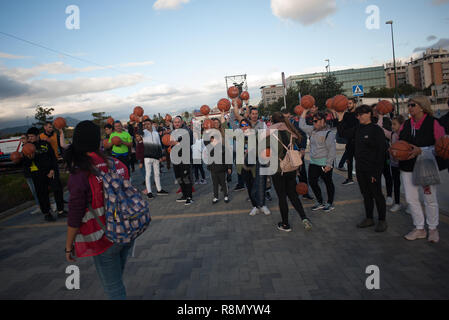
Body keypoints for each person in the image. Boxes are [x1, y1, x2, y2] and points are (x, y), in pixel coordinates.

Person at [64, 120, 133, 300]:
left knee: (114, 288)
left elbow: (75, 214)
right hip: (126, 231)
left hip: (103, 237)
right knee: (117, 280)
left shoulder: (80, 173)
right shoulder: (117, 164)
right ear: (98, 140)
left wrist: (68, 246)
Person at [399, 96, 445, 243]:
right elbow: (399, 143)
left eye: (413, 105)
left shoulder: (433, 123)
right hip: (408, 166)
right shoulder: (406, 124)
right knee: (411, 199)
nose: (410, 107)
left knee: (429, 199)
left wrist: (422, 151)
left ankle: (433, 228)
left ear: (422, 106)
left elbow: (441, 148)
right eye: (408, 105)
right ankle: (419, 228)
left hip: (426, 164)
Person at [268, 112, 312, 232]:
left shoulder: (271, 134)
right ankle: (304, 218)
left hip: (278, 169)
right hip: (292, 168)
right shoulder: (291, 131)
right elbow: (300, 139)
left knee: (282, 197)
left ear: (272, 122)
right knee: (293, 195)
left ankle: (285, 224)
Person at [351, 105, 388, 232]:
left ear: (369, 114)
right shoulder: (358, 129)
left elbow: (381, 152)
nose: (359, 117)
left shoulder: (376, 130)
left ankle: (382, 220)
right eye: (357, 115)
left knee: (377, 194)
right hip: (360, 168)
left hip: (372, 169)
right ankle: (369, 218)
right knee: (366, 194)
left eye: (361, 114)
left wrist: (376, 172)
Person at [23, 127, 66, 221]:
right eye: (29, 137)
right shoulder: (26, 148)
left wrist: (52, 169)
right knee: (42, 194)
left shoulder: (45, 144)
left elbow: (52, 158)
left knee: (57, 189)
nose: (30, 138)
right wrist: (30, 158)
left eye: (32, 136)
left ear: (38, 136)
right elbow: (25, 164)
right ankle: (47, 213)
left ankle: (61, 211)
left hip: (50, 172)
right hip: (37, 174)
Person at [233, 106, 270, 215]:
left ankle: (262, 204)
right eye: (242, 125)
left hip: (257, 162)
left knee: (259, 184)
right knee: (249, 185)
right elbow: (233, 118)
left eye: (246, 125)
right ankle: (255, 205)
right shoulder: (238, 134)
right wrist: (235, 103)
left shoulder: (256, 133)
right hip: (244, 165)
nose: (244, 127)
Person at [299, 110, 336, 212]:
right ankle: (320, 201)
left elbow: (332, 150)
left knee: (328, 183)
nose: (314, 123)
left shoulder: (328, 133)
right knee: (312, 182)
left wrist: (329, 164)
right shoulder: (312, 130)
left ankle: (330, 203)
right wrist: (305, 110)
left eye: (316, 121)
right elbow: (301, 125)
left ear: (323, 121)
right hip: (314, 162)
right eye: (313, 121)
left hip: (325, 163)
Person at [283, 109, 314, 201]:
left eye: (288, 117)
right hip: (286, 154)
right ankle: (293, 192)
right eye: (285, 117)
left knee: (302, 173)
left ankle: (305, 192)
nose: (287, 119)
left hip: (297, 153)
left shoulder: (296, 125)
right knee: (289, 174)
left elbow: (303, 136)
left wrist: (303, 148)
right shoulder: (281, 127)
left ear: (291, 116)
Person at [380, 115, 405, 213]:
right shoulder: (393, 134)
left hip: (404, 163)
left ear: (401, 125)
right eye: (391, 124)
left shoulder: (404, 135)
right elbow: (382, 130)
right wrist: (381, 116)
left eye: (394, 124)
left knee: (409, 185)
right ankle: (397, 203)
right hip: (394, 163)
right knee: (396, 183)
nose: (392, 126)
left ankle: (411, 205)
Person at [137, 119, 168, 198]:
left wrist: (161, 156)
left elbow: (159, 145)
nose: (147, 125)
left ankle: (159, 189)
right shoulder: (144, 133)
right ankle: (149, 192)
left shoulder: (156, 133)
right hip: (147, 157)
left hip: (156, 157)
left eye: (148, 124)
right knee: (148, 174)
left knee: (157, 173)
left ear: (151, 124)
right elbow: (139, 132)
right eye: (145, 124)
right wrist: (140, 122)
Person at [172, 116, 194, 205]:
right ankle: (184, 195)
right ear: (173, 124)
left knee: (186, 177)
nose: (176, 123)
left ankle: (189, 197)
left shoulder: (186, 130)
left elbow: (188, 142)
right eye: (175, 122)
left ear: (181, 122)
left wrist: (176, 143)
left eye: (178, 122)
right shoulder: (173, 132)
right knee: (179, 177)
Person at [205, 135, 232, 204]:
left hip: (222, 169)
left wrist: (229, 167)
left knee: (223, 183)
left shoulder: (223, 148)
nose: (213, 142)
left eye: (214, 141)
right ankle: (216, 197)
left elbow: (228, 158)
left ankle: (226, 196)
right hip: (213, 169)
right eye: (211, 141)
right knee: (215, 184)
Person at [337, 98, 358, 185]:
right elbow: (341, 129)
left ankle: (363, 178)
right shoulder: (346, 115)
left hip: (358, 142)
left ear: (355, 104)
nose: (348, 105)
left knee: (359, 162)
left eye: (350, 103)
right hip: (349, 142)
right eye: (347, 104)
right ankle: (349, 178)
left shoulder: (358, 114)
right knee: (349, 161)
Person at [19, 134, 40, 212]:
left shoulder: (31, 147)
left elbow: (32, 161)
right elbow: (22, 163)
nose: (22, 139)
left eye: (23, 138)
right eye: (21, 138)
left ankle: (49, 204)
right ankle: (39, 206)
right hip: (27, 173)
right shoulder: (22, 149)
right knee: (34, 191)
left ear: (27, 139)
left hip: (34, 172)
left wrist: (28, 158)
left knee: (38, 190)